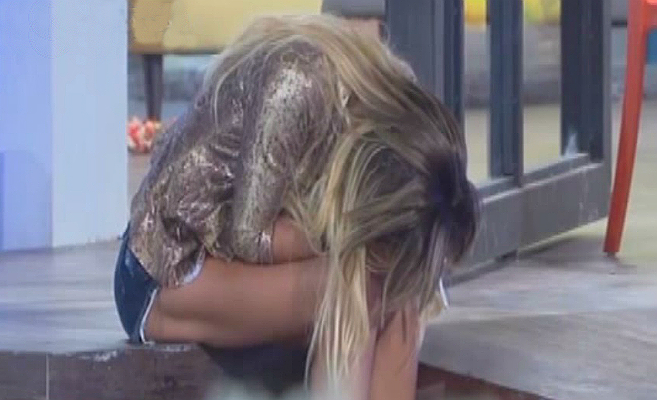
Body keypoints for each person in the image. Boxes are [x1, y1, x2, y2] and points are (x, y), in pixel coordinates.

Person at [114, 14, 479, 400]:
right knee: (353, 285)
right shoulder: (297, 83)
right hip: (168, 269)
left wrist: (384, 252)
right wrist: (348, 240)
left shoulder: (396, 112)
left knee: (400, 284)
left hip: (245, 262)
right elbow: (247, 237)